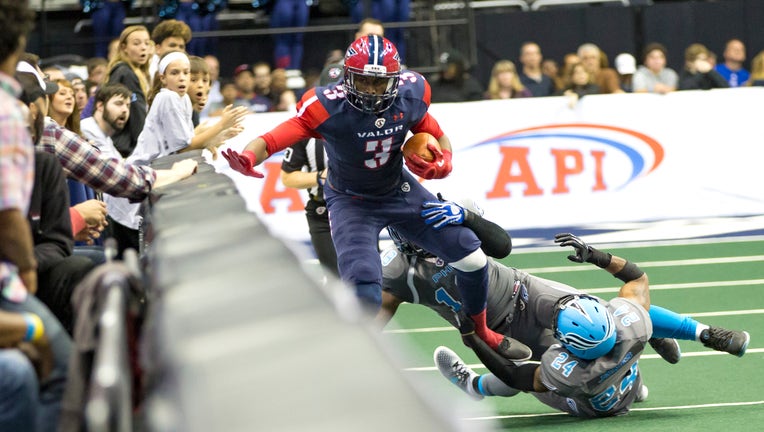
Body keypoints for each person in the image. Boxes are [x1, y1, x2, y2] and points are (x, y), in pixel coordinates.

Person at [224, 35, 517, 358]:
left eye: (379, 83)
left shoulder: (410, 95)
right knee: (365, 291)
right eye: (363, 80)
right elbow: (272, 139)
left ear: (394, 80)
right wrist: (250, 157)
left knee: (471, 257)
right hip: (351, 201)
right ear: (347, 76)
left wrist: (444, 160)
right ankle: (353, 356)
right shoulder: (326, 106)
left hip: (398, 190)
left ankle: (480, 329)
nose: (371, 90)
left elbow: (435, 133)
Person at [430, 231, 750, 417]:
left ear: (567, 344)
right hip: (626, 372)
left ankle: (473, 387)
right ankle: (700, 333)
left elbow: (514, 374)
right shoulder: (626, 325)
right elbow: (637, 277)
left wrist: (476, 340)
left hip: (591, 404)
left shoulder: (563, 367)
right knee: (638, 314)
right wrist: (597, 255)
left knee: (526, 373)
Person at [1, 2, 72, 429]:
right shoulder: (6, 109)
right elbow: (8, 215)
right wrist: (26, 268)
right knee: (59, 368)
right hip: (7, 273)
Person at [105, 25, 152, 157]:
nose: (143, 47)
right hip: (127, 148)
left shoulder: (134, 72)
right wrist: (145, 147)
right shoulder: (125, 73)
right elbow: (136, 111)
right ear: (124, 48)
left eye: (147, 43)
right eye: (136, 43)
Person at [148, 19, 193, 85]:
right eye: (172, 46)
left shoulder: (189, 68)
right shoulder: (149, 72)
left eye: (181, 47)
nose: (178, 50)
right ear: (158, 48)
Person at [269, 0, 310, 71]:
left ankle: (295, 71)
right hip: (284, 2)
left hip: (301, 2)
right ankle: (284, 70)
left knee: (298, 39)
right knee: (283, 39)